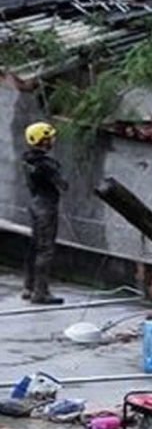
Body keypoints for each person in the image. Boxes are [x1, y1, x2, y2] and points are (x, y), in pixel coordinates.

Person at [21, 122, 67, 305]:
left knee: (34, 246)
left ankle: (29, 287)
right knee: (45, 249)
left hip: (34, 204)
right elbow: (62, 184)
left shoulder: (27, 159)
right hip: (46, 207)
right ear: (43, 140)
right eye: (50, 137)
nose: (54, 140)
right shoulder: (46, 164)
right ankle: (41, 292)